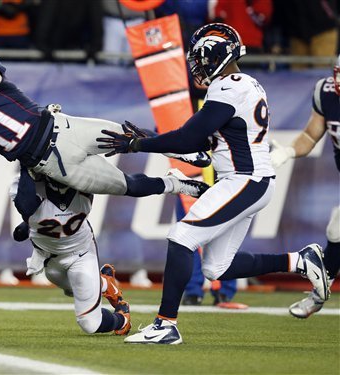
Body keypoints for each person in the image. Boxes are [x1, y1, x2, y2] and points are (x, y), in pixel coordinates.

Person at [97, 23, 331, 345]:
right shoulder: (244, 84)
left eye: (200, 58)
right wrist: (150, 139)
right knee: (216, 268)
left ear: (214, 56)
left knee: (181, 236)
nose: (197, 65)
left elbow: (189, 137)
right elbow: (206, 140)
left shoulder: (228, 87)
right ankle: (300, 260)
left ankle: (166, 325)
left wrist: (139, 145)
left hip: (245, 180)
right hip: (250, 181)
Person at [0, 54, 210, 200]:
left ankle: (185, 152)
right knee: (131, 187)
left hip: (65, 129)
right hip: (51, 165)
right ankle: (176, 183)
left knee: (130, 138)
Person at [10, 166, 131, 336]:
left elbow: (131, 185)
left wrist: (169, 184)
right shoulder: (25, 184)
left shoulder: (85, 180)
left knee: (90, 323)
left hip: (80, 254)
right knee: (72, 290)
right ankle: (104, 282)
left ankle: (122, 319)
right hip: (51, 262)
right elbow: (29, 209)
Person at [271, 54, 340, 319]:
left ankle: (318, 295)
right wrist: (287, 152)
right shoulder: (326, 92)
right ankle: (319, 294)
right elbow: (312, 134)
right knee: (336, 232)